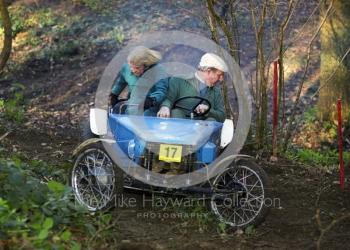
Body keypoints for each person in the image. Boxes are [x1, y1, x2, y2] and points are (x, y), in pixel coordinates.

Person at [157, 53, 227, 122]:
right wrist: (165, 107)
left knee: (211, 120)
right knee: (176, 112)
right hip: (179, 128)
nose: (221, 79)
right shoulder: (178, 81)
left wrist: (208, 110)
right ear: (208, 71)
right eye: (219, 75)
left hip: (203, 131)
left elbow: (222, 116)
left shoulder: (216, 92)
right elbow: (169, 99)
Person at [110, 46, 168, 116]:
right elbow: (120, 83)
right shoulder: (126, 68)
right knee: (117, 109)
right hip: (134, 102)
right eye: (131, 67)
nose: (133, 70)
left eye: (137, 68)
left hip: (151, 105)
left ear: (146, 65)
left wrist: (152, 100)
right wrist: (114, 95)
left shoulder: (158, 70)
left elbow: (161, 91)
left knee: (145, 115)